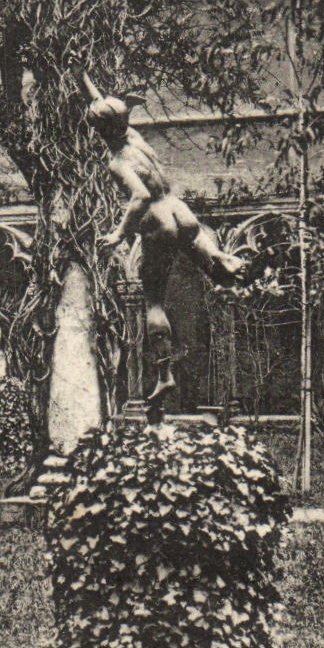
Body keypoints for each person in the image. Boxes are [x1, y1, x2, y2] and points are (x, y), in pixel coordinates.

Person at [85, 75, 252, 412]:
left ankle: (164, 374)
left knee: (153, 302)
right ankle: (223, 263)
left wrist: (119, 233)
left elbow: (139, 196)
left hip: (158, 226)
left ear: (100, 131)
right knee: (201, 250)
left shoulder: (117, 162)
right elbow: (111, 113)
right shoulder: (135, 139)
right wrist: (83, 80)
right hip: (181, 212)